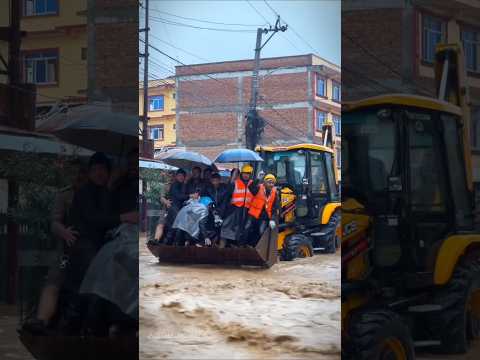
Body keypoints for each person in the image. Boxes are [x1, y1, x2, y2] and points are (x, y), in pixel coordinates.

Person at [22, 164, 88, 334]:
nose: (78, 178)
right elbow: (54, 222)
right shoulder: (65, 194)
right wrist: (64, 232)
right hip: (67, 249)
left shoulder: (100, 193)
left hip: (92, 249)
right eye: (75, 175)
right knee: (54, 280)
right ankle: (41, 320)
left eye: (81, 174)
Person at [220, 164, 254, 246]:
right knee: (225, 229)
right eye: (245, 173)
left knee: (242, 232)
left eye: (248, 173)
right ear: (241, 174)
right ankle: (221, 249)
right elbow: (227, 193)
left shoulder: (253, 184)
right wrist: (232, 179)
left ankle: (239, 250)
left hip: (246, 211)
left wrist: (260, 179)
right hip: (234, 210)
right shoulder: (235, 183)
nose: (246, 175)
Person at [245, 173, 281, 246]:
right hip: (253, 214)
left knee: (261, 232)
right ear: (264, 183)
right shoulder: (258, 188)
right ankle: (242, 245)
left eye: (272, 183)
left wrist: (272, 219)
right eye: (269, 182)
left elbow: (276, 208)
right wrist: (257, 179)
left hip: (264, 216)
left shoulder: (275, 193)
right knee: (247, 228)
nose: (271, 184)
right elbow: (251, 187)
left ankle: (259, 248)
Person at [163, 169, 189, 244]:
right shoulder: (174, 185)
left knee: (174, 228)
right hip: (174, 208)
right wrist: (190, 196)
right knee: (174, 228)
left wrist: (185, 184)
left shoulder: (182, 185)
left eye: (182, 176)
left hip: (178, 208)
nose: (181, 177)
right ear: (176, 176)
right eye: (179, 175)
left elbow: (183, 195)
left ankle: (173, 246)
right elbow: (179, 196)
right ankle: (169, 246)